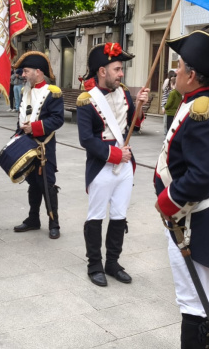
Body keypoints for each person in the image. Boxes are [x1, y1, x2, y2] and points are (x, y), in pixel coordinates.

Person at [153, 31, 209, 349]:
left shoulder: (202, 110)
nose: (175, 70)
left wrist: (167, 201)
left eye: (180, 65)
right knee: (197, 298)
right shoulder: (195, 103)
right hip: (189, 217)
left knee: (193, 302)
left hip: (192, 220)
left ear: (193, 74)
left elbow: (201, 178)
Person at [76, 42, 148, 287]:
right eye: (117, 69)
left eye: (121, 69)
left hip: (125, 166)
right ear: (102, 71)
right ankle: (94, 264)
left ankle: (113, 262)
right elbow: (86, 140)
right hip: (102, 166)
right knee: (95, 217)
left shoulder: (125, 92)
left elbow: (132, 126)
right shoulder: (87, 100)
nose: (121, 73)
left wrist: (139, 105)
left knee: (119, 216)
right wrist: (116, 155)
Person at [12, 51, 65, 239]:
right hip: (27, 146)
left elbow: (57, 120)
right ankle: (33, 219)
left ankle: (54, 222)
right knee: (33, 183)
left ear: (38, 71)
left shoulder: (53, 92)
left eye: (26, 71)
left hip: (44, 146)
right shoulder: (26, 90)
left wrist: (33, 128)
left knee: (47, 184)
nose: (23, 75)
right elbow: (21, 117)